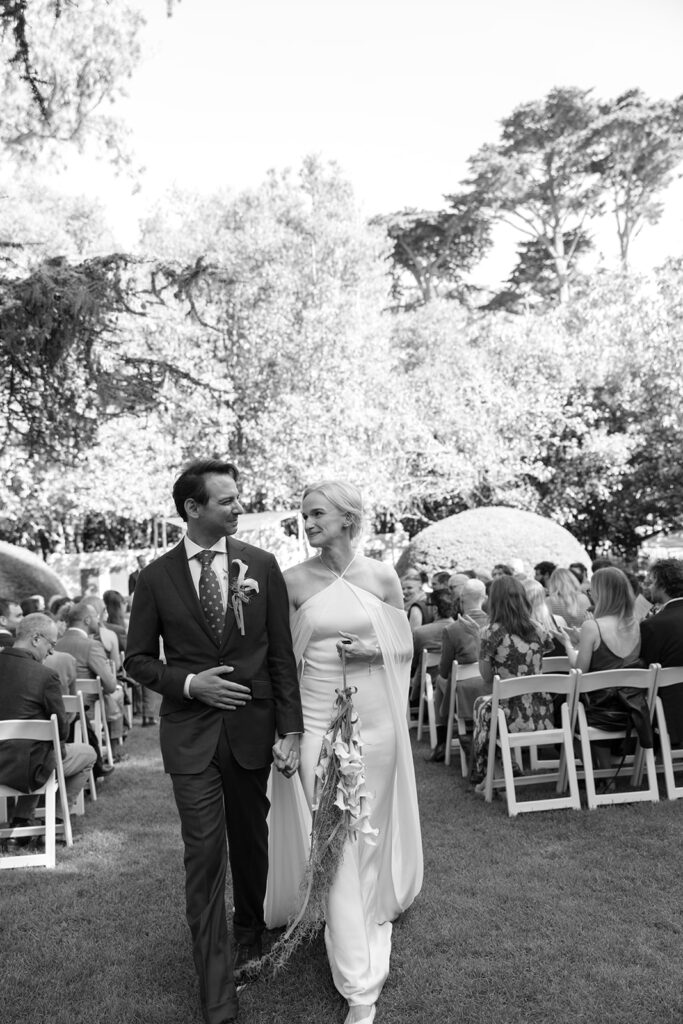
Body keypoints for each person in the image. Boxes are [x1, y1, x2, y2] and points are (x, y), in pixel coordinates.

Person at [124, 458, 303, 1024]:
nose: (238, 507)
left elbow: (279, 655)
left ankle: (250, 933)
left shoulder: (263, 565)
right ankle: (216, 990)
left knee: (251, 844)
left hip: (252, 732)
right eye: (226, 500)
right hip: (192, 738)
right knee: (204, 854)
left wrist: (291, 730)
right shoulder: (154, 578)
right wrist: (189, 683)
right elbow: (136, 661)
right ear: (192, 508)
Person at [276, 480, 423, 1024]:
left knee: (367, 828)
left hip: (377, 726)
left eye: (316, 514)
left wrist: (372, 648)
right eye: (304, 515)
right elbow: (280, 665)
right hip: (317, 723)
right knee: (334, 832)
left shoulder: (383, 576)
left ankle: (366, 907)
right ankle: (360, 983)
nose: (307, 523)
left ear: (347, 519)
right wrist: (286, 731)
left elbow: (406, 645)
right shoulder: (291, 582)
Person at [0, 613, 96, 840]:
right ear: (35, 639)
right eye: (51, 644)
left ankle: (21, 825)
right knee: (87, 753)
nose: (51, 651)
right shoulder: (45, 676)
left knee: (37, 750)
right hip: (28, 769)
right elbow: (61, 730)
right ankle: (58, 824)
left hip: (8, 761)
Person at [469, 575, 554, 789]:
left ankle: (487, 775)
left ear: (494, 601)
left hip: (509, 715)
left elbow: (486, 676)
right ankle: (502, 770)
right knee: (488, 707)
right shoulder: (538, 629)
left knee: (484, 706)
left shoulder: (490, 633)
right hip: (541, 712)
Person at [560, 567, 641, 769]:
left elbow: (579, 674)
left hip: (598, 713)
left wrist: (571, 645)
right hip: (634, 709)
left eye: (591, 591)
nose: (590, 595)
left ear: (602, 593)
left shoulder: (592, 627)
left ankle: (599, 770)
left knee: (560, 707)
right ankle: (605, 769)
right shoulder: (639, 624)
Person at [640, 558, 683, 745]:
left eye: (651, 582)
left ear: (661, 584)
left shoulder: (654, 625)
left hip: (670, 711)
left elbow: (646, 671)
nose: (649, 587)